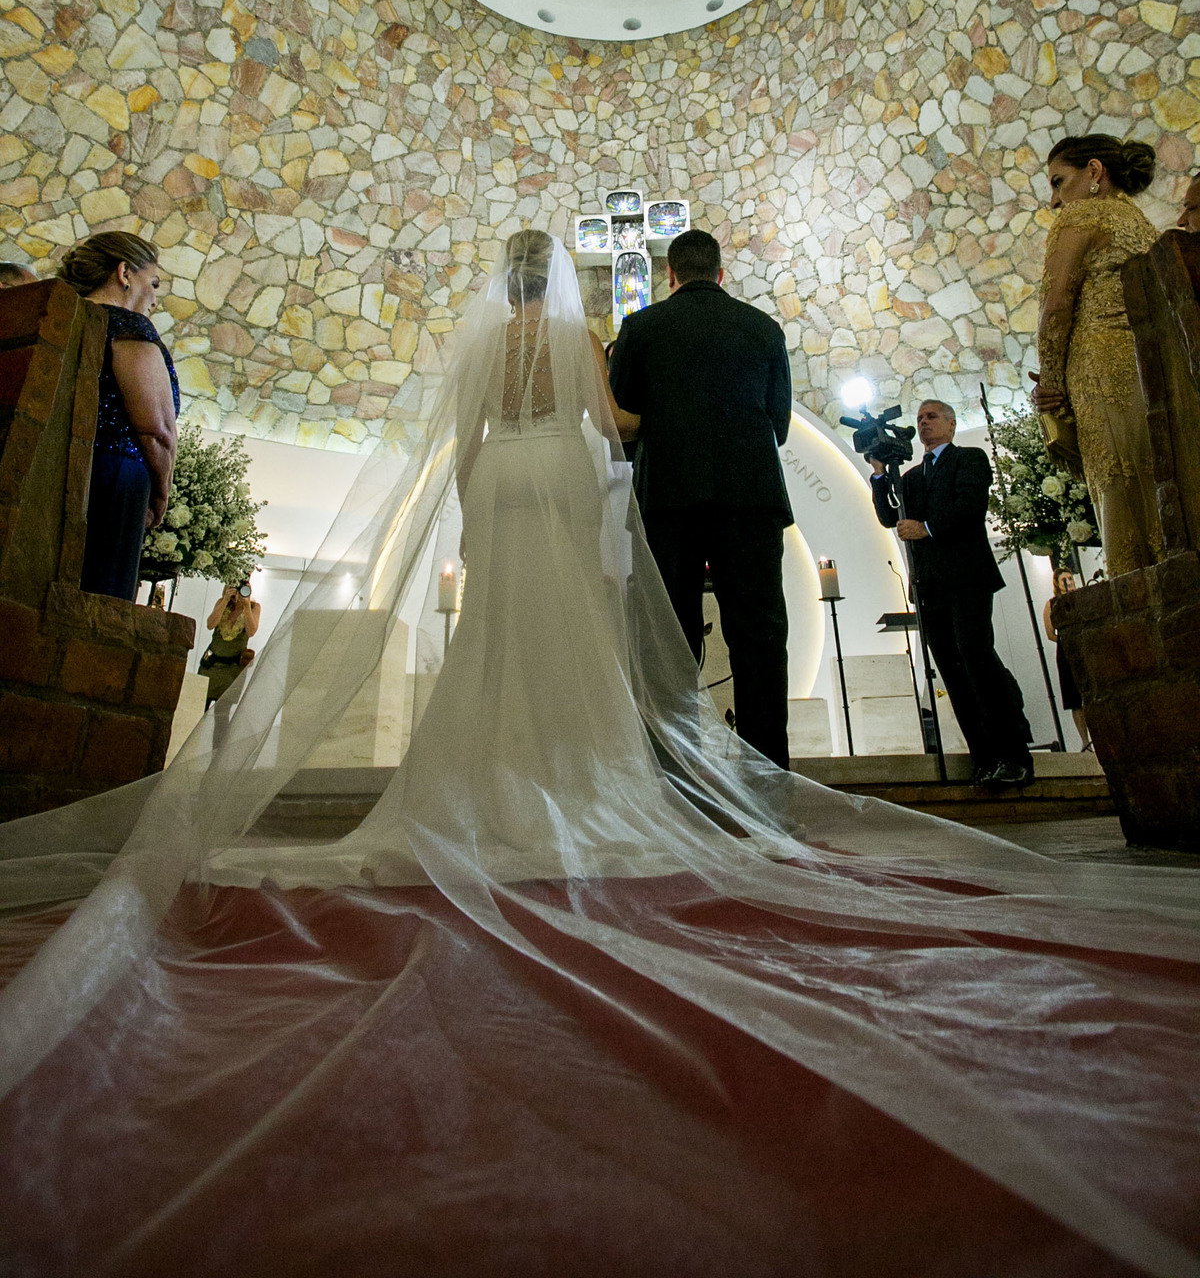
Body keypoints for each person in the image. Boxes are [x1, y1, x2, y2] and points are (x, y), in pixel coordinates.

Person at [2, 232, 1199, 1278]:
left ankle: (482, 777)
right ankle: (585, 769)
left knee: (497, 640)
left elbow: (467, 439)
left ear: (496, 284)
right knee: (577, 636)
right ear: (559, 281)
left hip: (498, 482)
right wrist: (633, 428)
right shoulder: (583, 341)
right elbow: (609, 423)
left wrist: (483, 488)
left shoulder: (485, 349)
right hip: (562, 480)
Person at [608, 228, 794, 769]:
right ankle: (768, 773)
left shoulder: (642, 327)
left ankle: (679, 772)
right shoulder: (763, 329)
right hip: (751, 496)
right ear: (720, 272)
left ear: (670, 274)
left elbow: (625, 405)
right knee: (759, 633)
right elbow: (777, 424)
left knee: (670, 638)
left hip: (670, 498)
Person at [871, 399, 1033, 786]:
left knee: (977, 658)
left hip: (967, 577)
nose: (924, 423)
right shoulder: (911, 478)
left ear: (951, 424)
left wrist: (927, 527)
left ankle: (1014, 756)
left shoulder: (970, 459)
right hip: (931, 585)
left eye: (931, 417)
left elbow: (969, 506)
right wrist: (880, 475)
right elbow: (890, 517)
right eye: (919, 418)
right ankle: (984, 758)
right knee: (953, 673)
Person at [1031, 135, 1160, 578]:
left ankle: (1135, 584)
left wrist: (1049, 384)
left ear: (1094, 171)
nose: (1054, 200)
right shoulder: (1140, 222)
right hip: (1148, 367)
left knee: (1119, 488)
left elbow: (1057, 305)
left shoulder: (1082, 216)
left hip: (1101, 368)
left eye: (1058, 182)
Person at [59, 231, 180, 602]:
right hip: (114, 480)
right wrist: (162, 493)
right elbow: (156, 430)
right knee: (99, 599)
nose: (155, 300)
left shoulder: (66, 320)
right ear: (124, 273)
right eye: (153, 283)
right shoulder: (128, 328)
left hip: (61, 467)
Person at [1042, 567, 1088, 750]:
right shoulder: (1051, 604)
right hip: (1066, 651)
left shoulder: (1080, 597)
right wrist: (1065, 641)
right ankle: (1085, 740)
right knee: (1074, 699)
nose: (1068, 582)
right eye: (1064, 579)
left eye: (1070, 578)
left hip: (1083, 645)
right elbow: (1050, 633)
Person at [201, 582, 262, 709]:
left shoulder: (254, 607)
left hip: (232, 670)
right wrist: (225, 600)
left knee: (222, 714)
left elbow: (251, 631)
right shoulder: (222, 603)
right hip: (211, 665)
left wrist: (246, 606)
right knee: (199, 706)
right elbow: (210, 624)